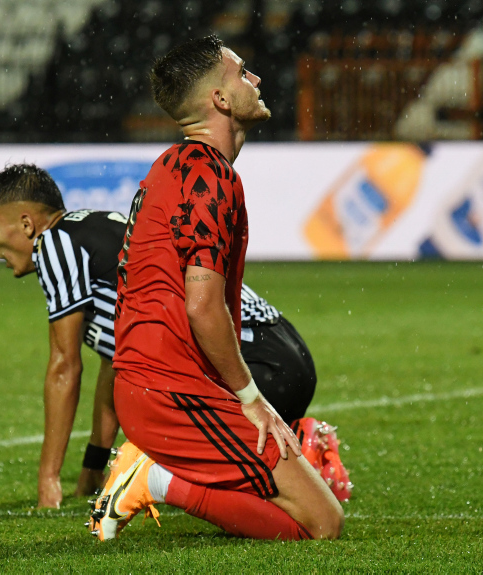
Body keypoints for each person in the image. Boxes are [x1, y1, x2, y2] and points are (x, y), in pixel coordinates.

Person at [89, 35, 344, 541]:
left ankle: (160, 475)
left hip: (154, 384)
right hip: (171, 391)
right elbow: (203, 306)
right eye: (242, 72)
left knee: (302, 507)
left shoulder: (175, 166)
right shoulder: (207, 175)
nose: (256, 79)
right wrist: (251, 398)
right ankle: (153, 479)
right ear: (221, 99)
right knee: (322, 523)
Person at [0, 165, 347, 509]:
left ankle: (296, 455)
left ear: (27, 224)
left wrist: (48, 480)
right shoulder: (92, 229)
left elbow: (63, 367)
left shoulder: (54, 244)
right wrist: (92, 468)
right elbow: (114, 365)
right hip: (283, 354)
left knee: (153, 425)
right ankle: (297, 440)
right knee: (142, 393)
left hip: (250, 361)